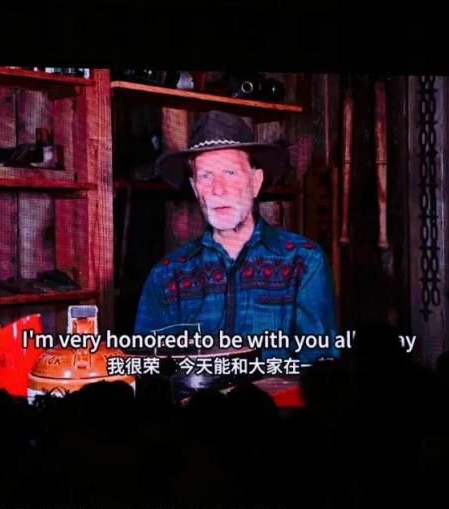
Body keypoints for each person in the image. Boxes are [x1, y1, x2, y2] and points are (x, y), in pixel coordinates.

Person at [134, 110, 337, 363]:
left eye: (230, 173)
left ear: (256, 181)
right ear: (196, 188)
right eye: (206, 176)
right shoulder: (166, 275)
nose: (218, 190)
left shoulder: (304, 262)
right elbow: (148, 366)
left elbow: (319, 366)